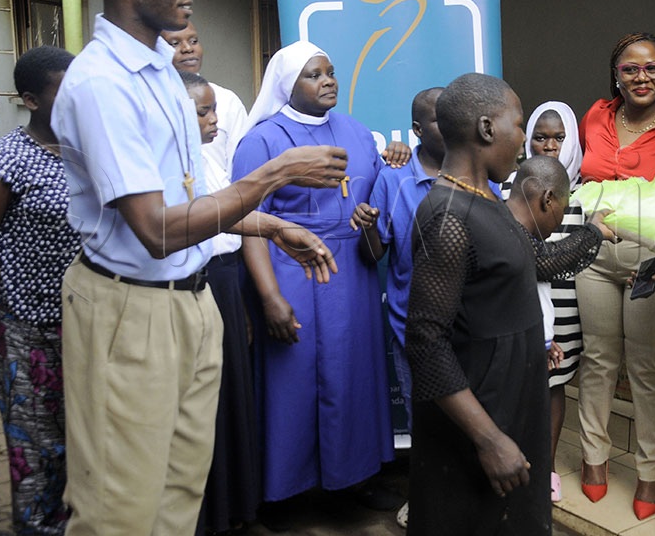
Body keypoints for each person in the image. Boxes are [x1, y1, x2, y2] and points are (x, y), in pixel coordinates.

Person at [51, 0, 345, 536]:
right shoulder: (103, 84)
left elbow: (197, 197)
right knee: (119, 510)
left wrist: (265, 226)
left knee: (180, 494)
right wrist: (274, 174)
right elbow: (155, 230)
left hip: (192, 300)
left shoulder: (163, 70)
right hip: (129, 312)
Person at [404, 73, 610, 536]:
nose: (523, 139)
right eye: (518, 125)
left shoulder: (491, 204)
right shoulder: (448, 217)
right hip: (478, 425)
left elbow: (525, 273)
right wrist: (488, 438)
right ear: (485, 129)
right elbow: (425, 342)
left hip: (511, 410)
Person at [233, 41, 409, 519]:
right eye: (314, 74)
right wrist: (269, 296)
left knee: (352, 379)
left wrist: (393, 166)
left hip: (351, 275)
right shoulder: (262, 141)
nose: (328, 80)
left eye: (331, 72)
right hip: (291, 271)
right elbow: (246, 222)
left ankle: (352, 479)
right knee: (292, 383)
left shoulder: (356, 132)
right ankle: (285, 492)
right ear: (288, 86)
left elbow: (374, 200)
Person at [574, 32, 655, 520]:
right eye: (630, 69)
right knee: (598, 360)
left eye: (652, 68)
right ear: (615, 75)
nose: (641, 77)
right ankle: (594, 459)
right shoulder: (595, 117)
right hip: (594, 258)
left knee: (647, 368)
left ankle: (651, 471)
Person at [0, 46, 77, 534]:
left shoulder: (94, 152)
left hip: (91, 322)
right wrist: (30, 258)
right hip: (28, 328)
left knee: (88, 446)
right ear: (30, 100)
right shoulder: (6, 158)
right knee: (37, 452)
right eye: (66, 92)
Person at [350, 86, 444, 529]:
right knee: (423, 416)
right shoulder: (394, 177)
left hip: (469, 326)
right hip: (413, 326)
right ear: (418, 130)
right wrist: (367, 227)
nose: (452, 123)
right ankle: (427, 498)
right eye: (439, 118)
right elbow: (373, 255)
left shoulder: (480, 170)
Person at [180, 71, 261, 535]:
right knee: (199, 408)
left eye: (214, 109)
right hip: (195, 284)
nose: (215, 119)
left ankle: (232, 509)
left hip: (227, 284)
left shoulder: (210, 161)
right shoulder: (170, 170)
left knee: (230, 396)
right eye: (203, 111)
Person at [521, 102, 585, 503]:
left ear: (572, 141)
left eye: (559, 138)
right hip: (523, 305)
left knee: (554, 384)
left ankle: (545, 467)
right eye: (540, 137)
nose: (549, 145)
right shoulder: (512, 186)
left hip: (566, 311)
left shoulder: (586, 193)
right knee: (518, 383)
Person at [162, 20, 249, 173]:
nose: (188, 48)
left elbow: (240, 164)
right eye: (174, 43)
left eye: (194, 41)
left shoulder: (227, 100)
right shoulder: (150, 100)